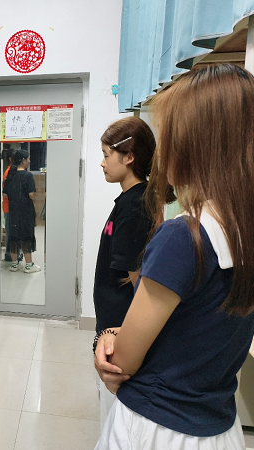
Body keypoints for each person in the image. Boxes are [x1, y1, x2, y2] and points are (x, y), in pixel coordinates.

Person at [94, 63, 254, 449]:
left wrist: (108, 337)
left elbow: (122, 362)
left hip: (156, 427)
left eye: (169, 136)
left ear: (194, 144)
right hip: (216, 428)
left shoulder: (184, 237)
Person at [92, 117, 155, 429]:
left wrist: (124, 337)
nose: (102, 163)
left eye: (107, 155)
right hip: (113, 326)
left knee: (116, 419)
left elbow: (139, 283)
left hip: (120, 331)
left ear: (129, 157)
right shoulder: (129, 200)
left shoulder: (135, 206)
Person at [3, 149, 41, 273]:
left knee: (13, 236)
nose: (30, 161)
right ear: (23, 160)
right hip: (26, 211)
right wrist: (34, 197)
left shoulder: (10, 175)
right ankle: (29, 265)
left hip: (13, 210)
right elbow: (31, 195)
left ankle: (15, 264)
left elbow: (5, 194)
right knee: (27, 236)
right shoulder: (28, 175)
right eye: (28, 159)